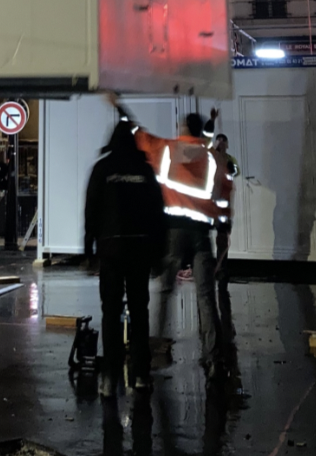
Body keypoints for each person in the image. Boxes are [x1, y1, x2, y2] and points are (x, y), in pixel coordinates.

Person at [106, 94, 227, 375]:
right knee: (206, 297)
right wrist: (211, 122)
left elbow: (136, 131)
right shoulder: (210, 156)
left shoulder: (168, 150)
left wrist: (118, 105)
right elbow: (219, 183)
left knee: (164, 292)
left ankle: (157, 348)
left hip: (173, 231)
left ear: (183, 128)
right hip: (201, 234)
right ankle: (213, 357)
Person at [85, 119, 166, 399]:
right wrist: (159, 251)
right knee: (139, 312)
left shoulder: (102, 169)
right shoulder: (144, 170)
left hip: (110, 251)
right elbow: (158, 212)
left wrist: (89, 248)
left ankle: (109, 378)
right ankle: (141, 375)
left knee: (110, 313)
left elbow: (91, 209)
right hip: (139, 250)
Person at [211, 133, 239, 280]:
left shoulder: (230, 160)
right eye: (219, 140)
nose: (221, 143)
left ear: (227, 144)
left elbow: (236, 171)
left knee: (222, 237)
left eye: (224, 141)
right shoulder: (211, 157)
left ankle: (221, 267)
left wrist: (231, 169)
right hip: (210, 204)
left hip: (223, 205)